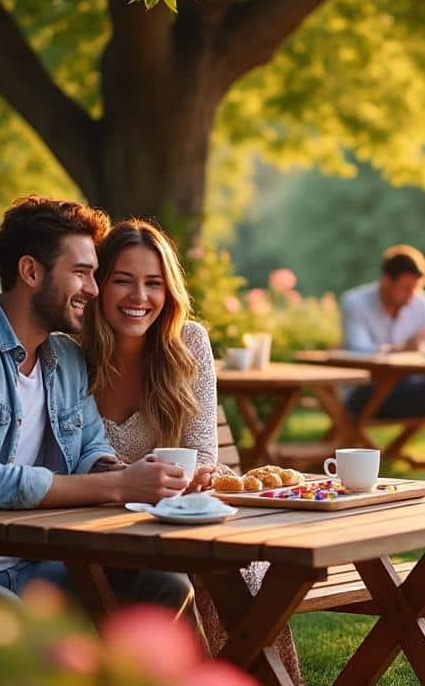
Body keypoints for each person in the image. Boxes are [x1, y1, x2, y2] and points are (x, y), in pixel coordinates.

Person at [0, 196, 195, 617]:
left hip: (34, 565)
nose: (94, 289)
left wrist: (138, 476)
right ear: (31, 271)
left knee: (164, 585)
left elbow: (90, 450)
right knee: (10, 621)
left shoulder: (65, 359)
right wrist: (118, 487)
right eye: (82, 273)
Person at [81, 219, 302, 682]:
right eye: (122, 280)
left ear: (169, 291)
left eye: (153, 283)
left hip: (184, 521)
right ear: (99, 285)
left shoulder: (188, 344)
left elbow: (203, 452)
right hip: (100, 530)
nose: (138, 297)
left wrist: (196, 476)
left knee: (221, 570)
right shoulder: (71, 356)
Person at [340, 244, 425, 440]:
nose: (411, 296)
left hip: (410, 388)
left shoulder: (421, 302)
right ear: (386, 281)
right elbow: (358, 349)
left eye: (416, 288)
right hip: (367, 395)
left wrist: (420, 348)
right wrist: (403, 349)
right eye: (406, 288)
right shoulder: (355, 303)